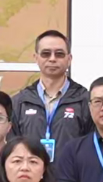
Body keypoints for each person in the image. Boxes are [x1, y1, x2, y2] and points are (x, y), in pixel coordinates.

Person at [11, 29, 92, 163]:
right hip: (30, 175)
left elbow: (91, 147)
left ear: (69, 59)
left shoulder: (85, 100)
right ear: (36, 58)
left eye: (59, 54)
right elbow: (12, 148)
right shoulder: (20, 102)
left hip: (70, 175)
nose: (52, 59)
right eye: (46, 54)